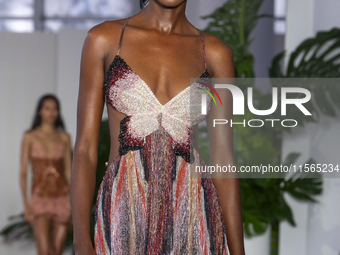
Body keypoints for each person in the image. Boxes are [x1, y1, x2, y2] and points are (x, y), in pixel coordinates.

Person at [71, 0, 245, 254]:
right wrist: (80, 241)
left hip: (192, 213)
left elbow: (223, 158)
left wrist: (238, 251)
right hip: (124, 212)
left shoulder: (215, 53)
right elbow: (85, 149)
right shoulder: (104, 39)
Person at [20, 94, 72, 255]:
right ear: (40, 111)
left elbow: (69, 172)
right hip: (40, 197)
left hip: (62, 197)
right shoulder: (30, 136)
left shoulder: (64, 137)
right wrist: (27, 205)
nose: (51, 112)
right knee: (44, 251)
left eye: (54, 108)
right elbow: (23, 172)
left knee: (57, 250)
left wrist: (74, 202)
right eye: (47, 108)